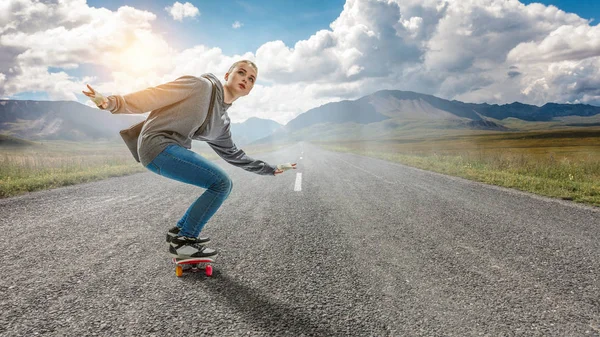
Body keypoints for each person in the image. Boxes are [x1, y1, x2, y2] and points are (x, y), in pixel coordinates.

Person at [83, 60, 297, 259]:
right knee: (221, 183)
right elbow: (154, 96)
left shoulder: (222, 121)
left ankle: (180, 232)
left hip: (170, 149)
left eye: (251, 79)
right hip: (157, 144)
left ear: (251, 89)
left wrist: (270, 168)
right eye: (241, 72)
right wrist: (111, 102)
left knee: (221, 183)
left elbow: (233, 154)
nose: (245, 79)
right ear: (227, 75)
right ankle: (185, 241)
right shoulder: (200, 86)